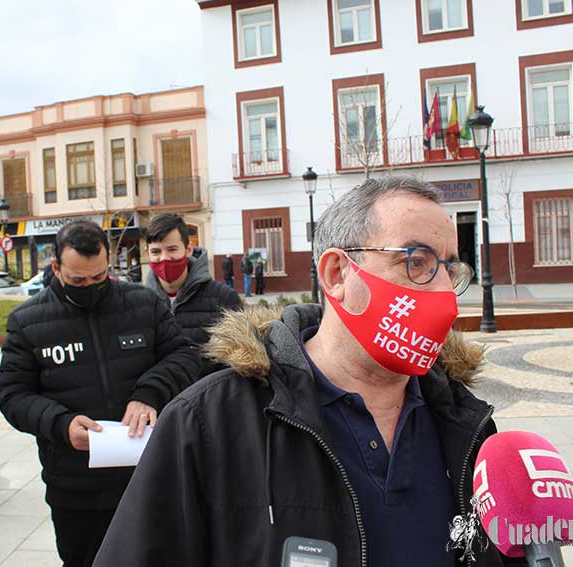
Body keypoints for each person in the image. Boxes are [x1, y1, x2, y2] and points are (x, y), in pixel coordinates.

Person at [95, 177, 522, 567]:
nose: (444, 291)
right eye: (416, 262)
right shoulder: (207, 424)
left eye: (449, 268)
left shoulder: (467, 424)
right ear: (336, 274)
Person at [0, 220, 201, 567]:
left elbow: (184, 355)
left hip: (148, 475)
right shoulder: (27, 321)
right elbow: (12, 395)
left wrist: (150, 392)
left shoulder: (143, 303)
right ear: (56, 267)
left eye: (98, 277)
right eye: (78, 280)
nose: (89, 286)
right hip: (77, 490)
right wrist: (61, 424)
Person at [143, 213, 243, 346]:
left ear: (188, 250)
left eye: (172, 249)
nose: (164, 258)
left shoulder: (224, 298)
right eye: (156, 252)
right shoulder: (137, 304)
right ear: (147, 254)